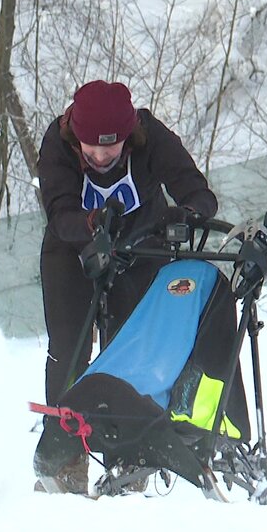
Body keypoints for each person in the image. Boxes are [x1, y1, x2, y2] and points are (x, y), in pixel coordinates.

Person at [35, 80, 218, 493]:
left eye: (112, 149)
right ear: (75, 137)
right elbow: (59, 211)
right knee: (68, 349)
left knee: (131, 350)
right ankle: (65, 458)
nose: (101, 158)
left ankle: (130, 455)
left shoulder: (152, 138)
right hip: (73, 248)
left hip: (140, 248)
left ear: (128, 136)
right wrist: (92, 223)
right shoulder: (57, 143)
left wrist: (186, 214)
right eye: (91, 150)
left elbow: (198, 192)